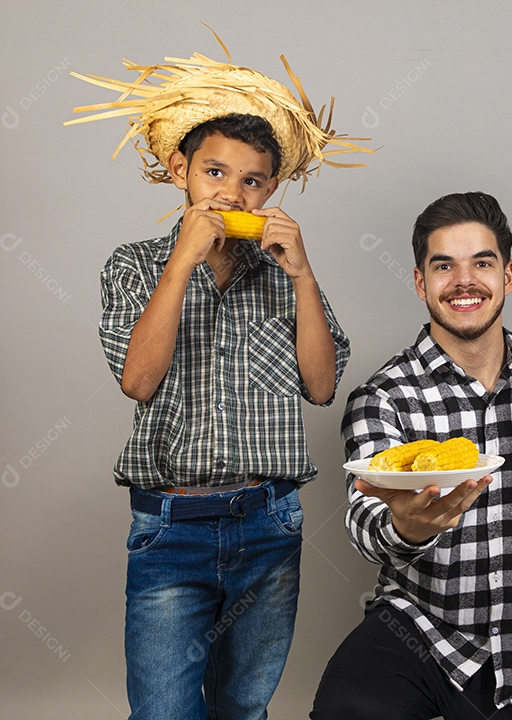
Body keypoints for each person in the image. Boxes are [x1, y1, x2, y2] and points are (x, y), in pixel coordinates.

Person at [72, 38, 368, 720]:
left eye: (252, 181)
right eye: (213, 172)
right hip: (170, 527)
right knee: (164, 712)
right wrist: (180, 264)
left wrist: (303, 275)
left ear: (270, 190)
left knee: (244, 709)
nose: (230, 193)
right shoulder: (134, 265)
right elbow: (138, 381)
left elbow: (321, 387)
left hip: (269, 523)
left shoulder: (280, 274)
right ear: (181, 169)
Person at [312, 192, 512, 719]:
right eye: (444, 265)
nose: (464, 281)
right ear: (421, 282)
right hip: (419, 626)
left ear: (507, 276)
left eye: (482, 263)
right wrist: (409, 528)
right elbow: (363, 520)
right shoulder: (383, 396)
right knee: (346, 710)